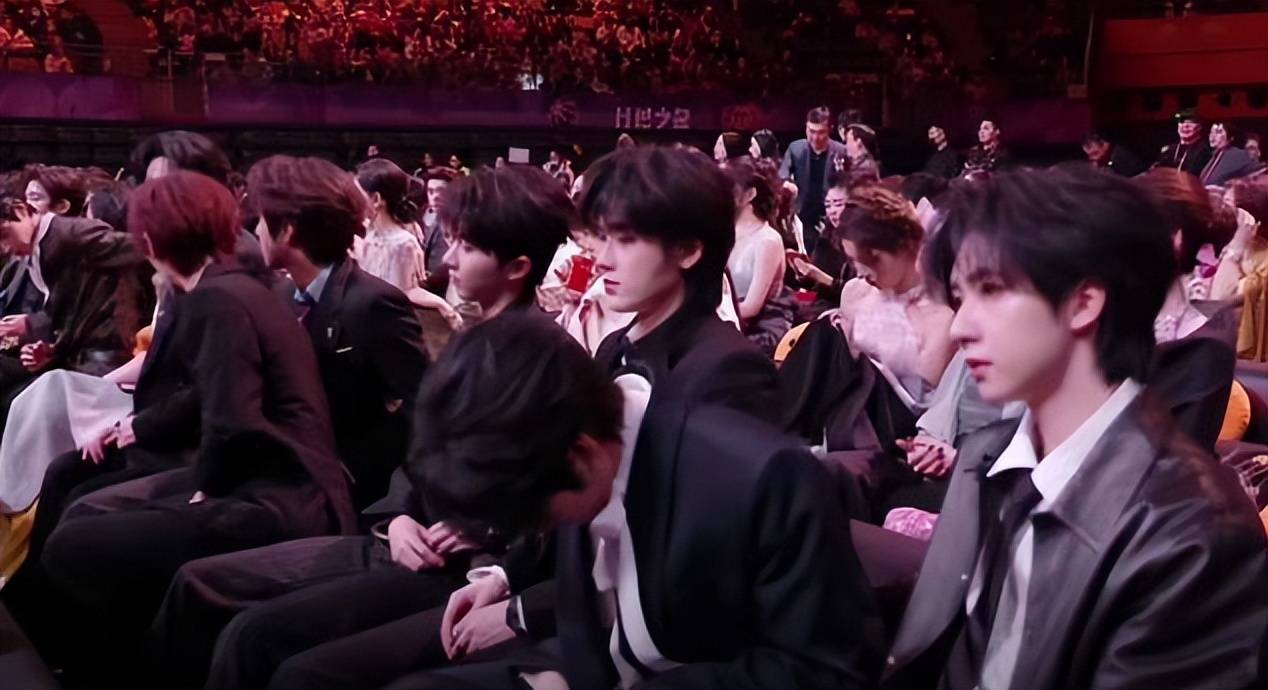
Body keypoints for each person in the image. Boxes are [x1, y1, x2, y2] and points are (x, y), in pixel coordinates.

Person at [139, 164, 573, 690]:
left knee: (265, 644)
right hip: (404, 535)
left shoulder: (550, 359)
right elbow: (424, 448)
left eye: (467, 247)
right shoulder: (476, 343)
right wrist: (400, 516)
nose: (449, 259)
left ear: (518, 266)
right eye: (454, 242)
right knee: (215, 600)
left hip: (462, 564)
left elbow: (557, 494)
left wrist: (485, 532)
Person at [884, 167, 1268, 690]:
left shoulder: (1194, 535)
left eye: (991, 289)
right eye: (959, 297)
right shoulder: (989, 455)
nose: (960, 326)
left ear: (1084, 301)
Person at [376, 297, 881, 690]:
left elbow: (826, 670)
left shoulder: (761, 477)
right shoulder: (577, 425)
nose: (539, 531)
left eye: (537, 517)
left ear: (580, 454)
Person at [29, 170, 356, 682]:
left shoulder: (217, 299)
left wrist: (207, 487)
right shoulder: (233, 289)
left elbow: (232, 418)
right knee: (83, 512)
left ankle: (102, 670)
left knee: (78, 544)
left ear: (150, 240)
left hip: (280, 495)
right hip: (273, 479)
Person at [247, 154, 429, 508]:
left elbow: (422, 403)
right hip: (281, 469)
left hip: (337, 485)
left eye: (263, 221)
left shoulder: (372, 303)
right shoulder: (281, 293)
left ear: (288, 230)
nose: (256, 232)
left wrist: (355, 469)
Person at [353, 158, 460, 328]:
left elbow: (406, 290)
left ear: (376, 199)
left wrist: (442, 305)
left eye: (358, 195)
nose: (353, 201)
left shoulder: (402, 242)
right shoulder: (365, 234)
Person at [725, 157, 790, 354]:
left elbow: (752, 307)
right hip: (727, 321)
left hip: (761, 327)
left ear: (750, 194)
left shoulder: (767, 240)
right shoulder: (723, 233)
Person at [780, 106, 847, 254]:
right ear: (806, 128)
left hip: (830, 214)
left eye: (821, 132)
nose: (815, 137)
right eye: (811, 131)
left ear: (830, 130)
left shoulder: (841, 151)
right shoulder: (795, 149)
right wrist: (787, 184)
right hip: (803, 212)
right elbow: (782, 175)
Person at [1156, 108, 1212, 177]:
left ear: (1200, 126)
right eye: (1182, 122)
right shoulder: (1168, 150)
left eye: (1191, 122)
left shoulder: (1204, 151)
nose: (1185, 125)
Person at [1199, 121, 1257, 186]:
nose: (1212, 136)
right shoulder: (1214, 155)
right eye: (1211, 132)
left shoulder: (1239, 155)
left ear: (1231, 137)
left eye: (1218, 132)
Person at [1081, 132, 1145, 177]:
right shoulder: (1108, 154)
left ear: (1104, 145)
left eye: (1095, 153)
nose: (1092, 158)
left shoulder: (1118, 154)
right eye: (1089, 155)